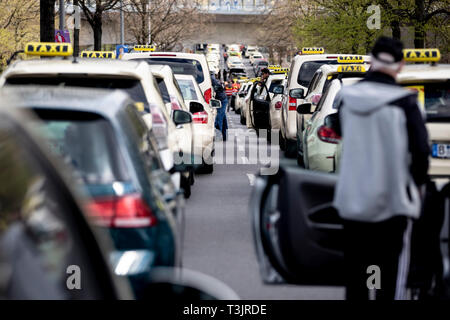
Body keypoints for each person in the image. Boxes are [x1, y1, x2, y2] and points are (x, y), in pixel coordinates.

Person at [333, 36, 430, 300]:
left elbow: (338, 130)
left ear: (371, 61)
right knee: (389, 278)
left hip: (353, 202)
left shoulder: (346, 98)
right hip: (392, 204)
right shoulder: (407, 103)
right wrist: (418, 187)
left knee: (356, 278)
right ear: (400, 66)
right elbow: (421, 152)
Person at [212, 73, 228, 141]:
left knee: (219, 118)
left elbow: (217, 89)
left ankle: (219, 137)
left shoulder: (212, 80)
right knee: (222, 117)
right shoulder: (213, 79)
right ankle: (224, 135)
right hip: (222, 99)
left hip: (221, 100)